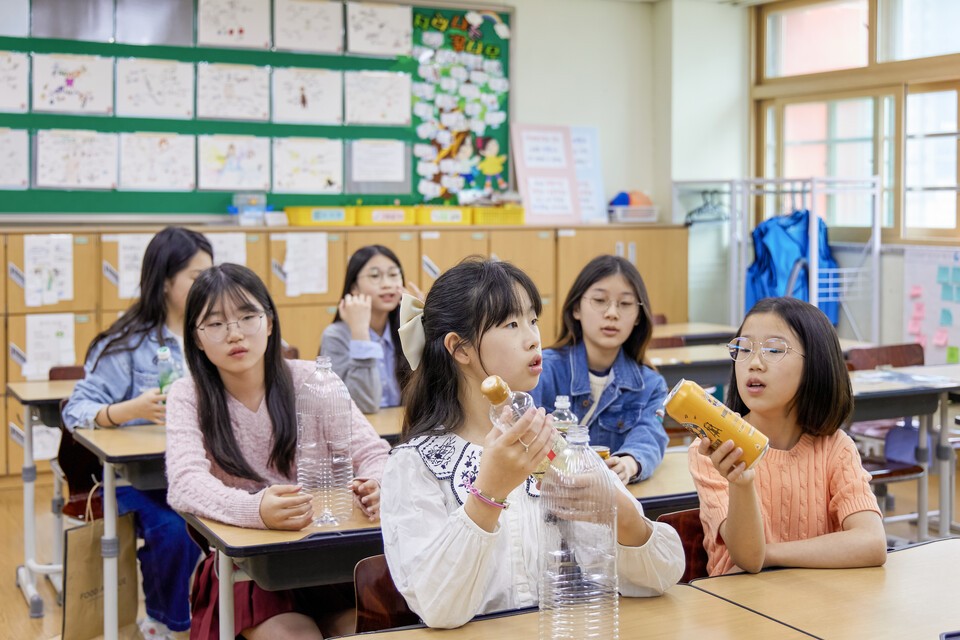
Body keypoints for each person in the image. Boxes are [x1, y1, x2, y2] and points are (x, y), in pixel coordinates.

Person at [380, 257, 683, 629]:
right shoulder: (415, 465)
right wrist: (488, 492)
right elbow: (439, 608)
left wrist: (615, 508)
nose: (533, 338)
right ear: (460, 349)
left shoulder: (554, 446)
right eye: (511, 324)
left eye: (533, 320)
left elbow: (662, 574)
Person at [165, 264, 391, 640]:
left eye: (247, 316)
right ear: (197, 339)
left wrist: (377, 484)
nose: (235, 333)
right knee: (296, 635)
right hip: (248, 568)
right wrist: (256, 510)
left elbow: (373, 452)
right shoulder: (188, 395)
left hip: (324, 557)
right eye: (216, 324)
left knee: (364, 632)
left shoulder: (311, 379)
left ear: (269, 322)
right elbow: (185, 485)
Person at [62, 226, 213, 639]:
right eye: (196, 278)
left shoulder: (214, 332)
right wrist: (127, 410)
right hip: (139, 481)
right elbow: (76, 410)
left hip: (203, 471)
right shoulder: (128, 343)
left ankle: (221, 614)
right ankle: (167, 623)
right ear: (165, 282)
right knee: (172, 529)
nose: (208, 287)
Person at [689, 296, 887, 576]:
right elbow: (747, 558)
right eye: (743, 348)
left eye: (773, 350)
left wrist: (769, 554)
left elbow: (872, 543)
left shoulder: (834, 448)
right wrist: (742, 484)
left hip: (816, 602)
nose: (754, 363)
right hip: (740, 606)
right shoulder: (714, 449)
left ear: (814, 364)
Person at [532, 255, 669, 485]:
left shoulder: (651, 385)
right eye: (599, 300)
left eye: (625, 304)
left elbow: (650, 435)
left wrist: (629, 462)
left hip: (610, 503)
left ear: (637, 317)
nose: (612, 313)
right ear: (576, 308)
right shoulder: (544, 370)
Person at [319, 245, 416, 413]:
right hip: (361, 433)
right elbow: (364, 405)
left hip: (404, 430)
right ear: (354, 288)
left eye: (393, 275)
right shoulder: (336, 335)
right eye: (375, 276)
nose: (387, 284)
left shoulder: (406, 329)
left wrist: (422, 324)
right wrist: (360, 335)